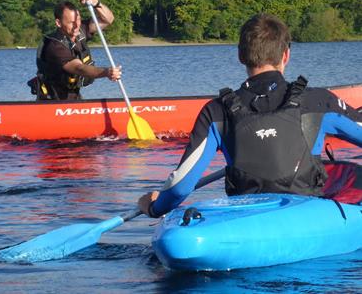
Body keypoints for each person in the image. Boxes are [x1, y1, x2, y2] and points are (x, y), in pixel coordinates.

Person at [138, 13, 362, 218]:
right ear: (286, 55)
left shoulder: (216, 110)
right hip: (307, 216)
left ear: (240, 55)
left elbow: (180, 187)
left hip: (245, 217)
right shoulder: (319, 101)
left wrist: (155, 207)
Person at [33, 0, 122, 100]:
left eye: (78, 20)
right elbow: (79, 68)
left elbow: (108, 19)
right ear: (58, 23)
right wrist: (106, 72)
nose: (76, 26)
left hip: (74, 99)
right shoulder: (55, 46)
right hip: (52, 101)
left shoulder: (81, 30)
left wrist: (96, 3)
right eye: (71, 22)